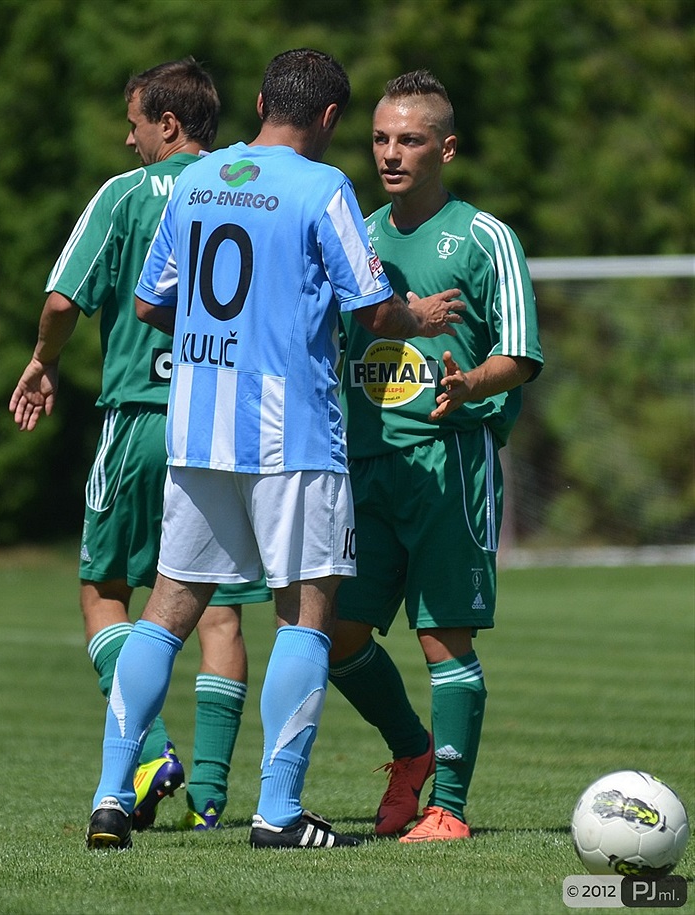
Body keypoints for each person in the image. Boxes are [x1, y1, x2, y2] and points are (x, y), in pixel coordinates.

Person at [85, 48, 464, 852]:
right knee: (307, 613)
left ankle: (111, 795)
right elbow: (371, 311)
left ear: (260, 102)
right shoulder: (323, 188)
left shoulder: (197, 180)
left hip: (198, 429)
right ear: (330, 119)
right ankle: (278, 811)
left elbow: (152, 305)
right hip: (290, 433)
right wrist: (419, 318)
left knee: (164, 613)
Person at [9, 58, 271, 833]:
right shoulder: (248, 187)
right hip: (227, 422)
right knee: (219, 607)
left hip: (142, 418)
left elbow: (62, 299)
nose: (128, 140)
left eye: (134, 122)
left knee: (105, 591)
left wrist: (43, 360)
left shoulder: (127, 197)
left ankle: (150, 750)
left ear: (168, 122)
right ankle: (213, 799)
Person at [329, 70, 544, 842]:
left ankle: (448, 805)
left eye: (410, 140)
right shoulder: (353, 231)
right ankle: (412, 751)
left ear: (446, 148)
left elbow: (520, 353)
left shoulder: (485, 237)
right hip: (366, 463)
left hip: (452, 461)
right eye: (381, 138)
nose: (391, 153)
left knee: (441, 637)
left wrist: (469, 380)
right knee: (336, 636)